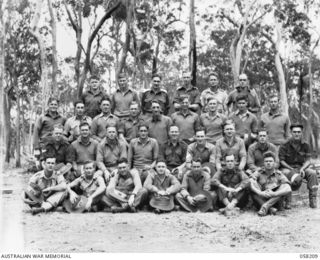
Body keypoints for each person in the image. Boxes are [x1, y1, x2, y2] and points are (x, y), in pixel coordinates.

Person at [279, 124, 318, 208]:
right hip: (288, 168)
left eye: (299, 132)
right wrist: (291, 169)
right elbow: (281, 161)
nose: (297, 134)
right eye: (294, 132)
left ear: (301, 133)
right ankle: (288, 200)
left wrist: (303, 168)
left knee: (312, 173)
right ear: (291, 132)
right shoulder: (284, 144)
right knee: (286, 174)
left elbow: (308, 160)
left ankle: (313, 199)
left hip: (301, 167)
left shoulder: (305, 145)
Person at [250, 152, 292, 216]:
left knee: (284, 185)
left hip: (275, 201)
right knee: (252, 183)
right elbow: (250, 181)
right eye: (266, 161)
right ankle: (270, 209)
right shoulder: (259, 172)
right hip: (262, 198)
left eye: (270, 161)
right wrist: (260, 193)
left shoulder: (279, 174)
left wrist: (274, 193)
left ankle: (265, 207)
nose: (268, 163)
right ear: (263, 163)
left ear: (274, 163)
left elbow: (288, 188)